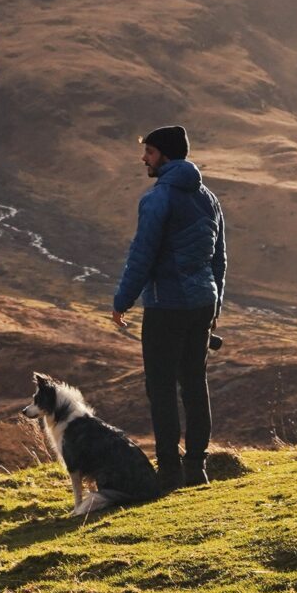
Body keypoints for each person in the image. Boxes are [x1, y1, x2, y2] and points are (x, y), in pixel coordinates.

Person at [109, 124, 226, 487]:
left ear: (166, 155)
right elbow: (219, 259)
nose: (144, 158)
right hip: (202, 305)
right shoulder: (209, 198)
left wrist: (121, 301)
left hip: (166, 305)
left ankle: (170, 471)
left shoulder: (157, 198)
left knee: (160, 387)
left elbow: (142, 255)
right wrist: (215, 305)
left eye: (150, 152)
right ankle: (197, 468)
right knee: (194, 383)